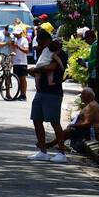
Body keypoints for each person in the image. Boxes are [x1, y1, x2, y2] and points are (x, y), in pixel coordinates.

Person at [27, 33, 68, 162]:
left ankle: (62, 152)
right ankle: (42, 150)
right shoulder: (44, 51)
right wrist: (35, 72)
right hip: (41, 91)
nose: (39, 45)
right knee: (36, 119)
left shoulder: (59, 52)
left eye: (41, 42)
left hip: (53, 92)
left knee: (54, 121)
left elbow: (51, 67)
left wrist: (37, 70)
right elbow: (41, 68)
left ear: (46, 40)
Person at [62, 87, 99, 152]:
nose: (81, 96)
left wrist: (73, 125)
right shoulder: (89, 105)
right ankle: (58, 144)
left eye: (83, 94)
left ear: (89, 96)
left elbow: (86, 123)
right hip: (87, 129)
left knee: (68, 131)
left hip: (91, 131)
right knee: (68, 130)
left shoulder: (92, 106)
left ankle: (53, 144)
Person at [10, 25, 30, 101]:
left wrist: (18, 47)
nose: (16, 35)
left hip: (22, 62)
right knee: (18, 79)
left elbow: (26, 51)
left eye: (17, 33)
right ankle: (20, 94)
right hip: (16, 62)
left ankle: (23, 94)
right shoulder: (14, 40)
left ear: (21, 33)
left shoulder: (24, 40)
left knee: (22, 79)